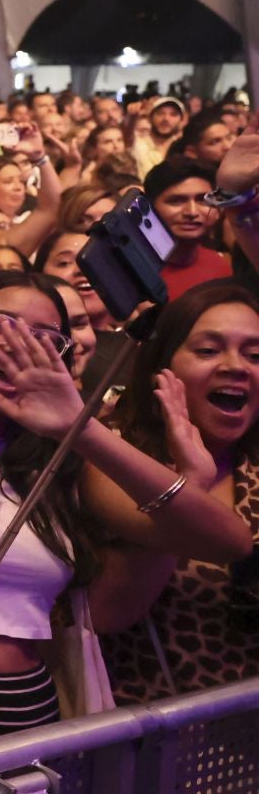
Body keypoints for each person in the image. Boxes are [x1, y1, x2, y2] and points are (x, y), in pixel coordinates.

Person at [0, 272, 252, 764]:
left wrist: (80, 429)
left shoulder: (60, 459)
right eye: (1, 324)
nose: (19, 345)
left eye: (45, 338)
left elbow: (229, 542)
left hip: (27, 716)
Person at [100, 285, 259, 701]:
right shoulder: (116, 458)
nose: (236, 367)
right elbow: (109, 612)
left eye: (255, 355)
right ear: (160, 367)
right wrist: (190, 483)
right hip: (148, 735)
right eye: (208, 350)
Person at [144, 159, 232, 298]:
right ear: (150, 207)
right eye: (176, 201)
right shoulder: (129, 273)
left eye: (202, 200)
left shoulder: (222, 266)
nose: (191, 212)